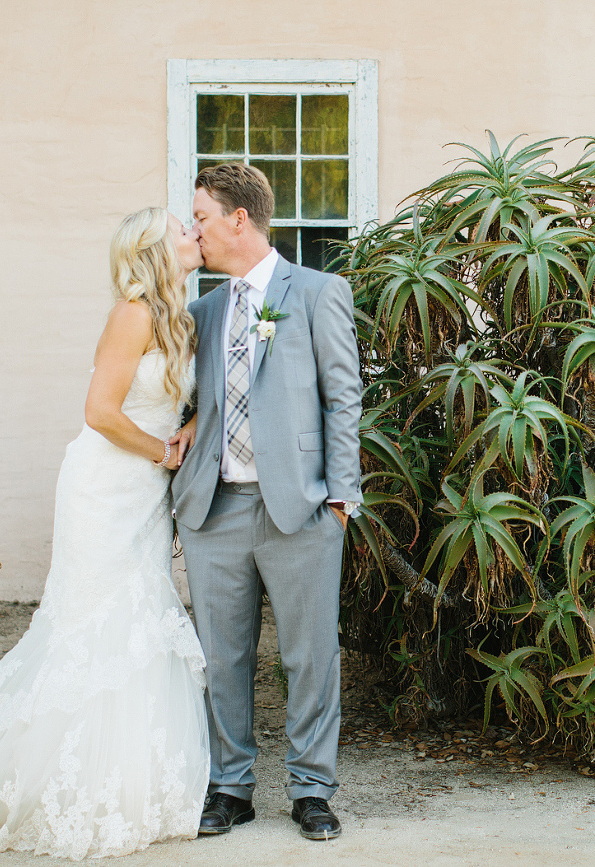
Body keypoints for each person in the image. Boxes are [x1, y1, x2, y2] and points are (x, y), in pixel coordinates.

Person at [0, 208, 210, 859]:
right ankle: (62, 773)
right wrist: (163, 452)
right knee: (96, 619)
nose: (194, 232)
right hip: (104, 486)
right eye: (181, 228)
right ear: (155, 251)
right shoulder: (131, 314)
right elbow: (101, 412)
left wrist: (183, 431)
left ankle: (138, 773)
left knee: (142, 614)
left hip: (144, 495)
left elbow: (173, 403)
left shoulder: (182, 318)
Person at [169, 162, 361, 841]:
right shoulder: (204, 310)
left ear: (237, 219)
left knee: (309, 655)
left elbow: (342, 396)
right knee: (222, 656)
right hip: (214, 509)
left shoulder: (315, 291)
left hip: (302, 509)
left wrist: (339, 499)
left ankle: (312, 788)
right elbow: (185, 399)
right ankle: (230, 785)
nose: (196, 229)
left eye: (201, 216)